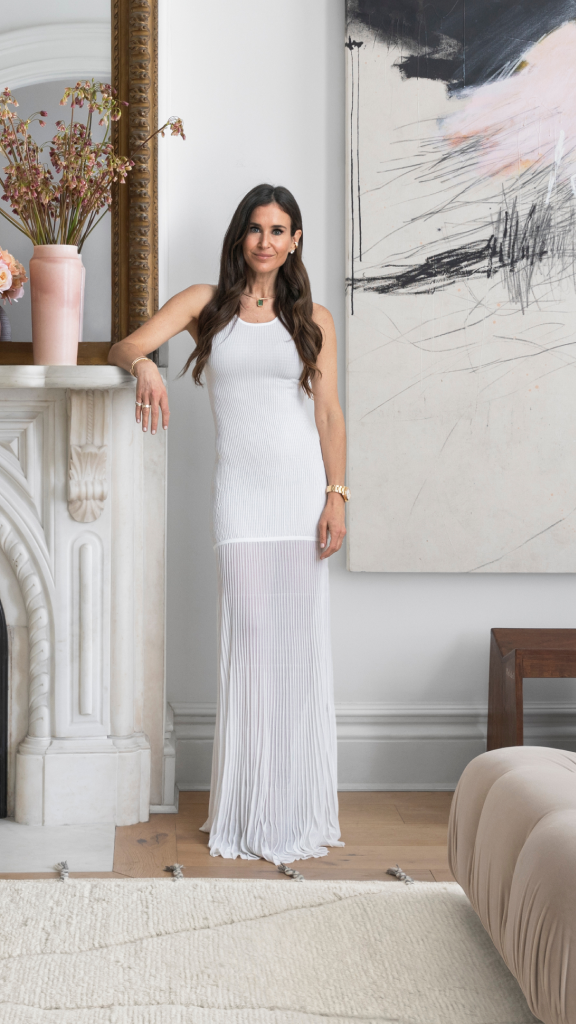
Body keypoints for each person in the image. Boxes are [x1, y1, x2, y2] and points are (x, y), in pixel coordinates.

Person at [106, 184, 346, 862]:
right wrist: (146, 368)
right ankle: (249, 810)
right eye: (256, 228)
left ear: (295, 241)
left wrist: (337, 496)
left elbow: (329, 414)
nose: (266, 241)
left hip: (300, 498)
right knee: (251, 648)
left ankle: (292, 810)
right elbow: (122, 346)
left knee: (295, 654)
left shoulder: (314, 318)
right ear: (241, 235)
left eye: (279, 230)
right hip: (241, 501)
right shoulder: (204, 304)